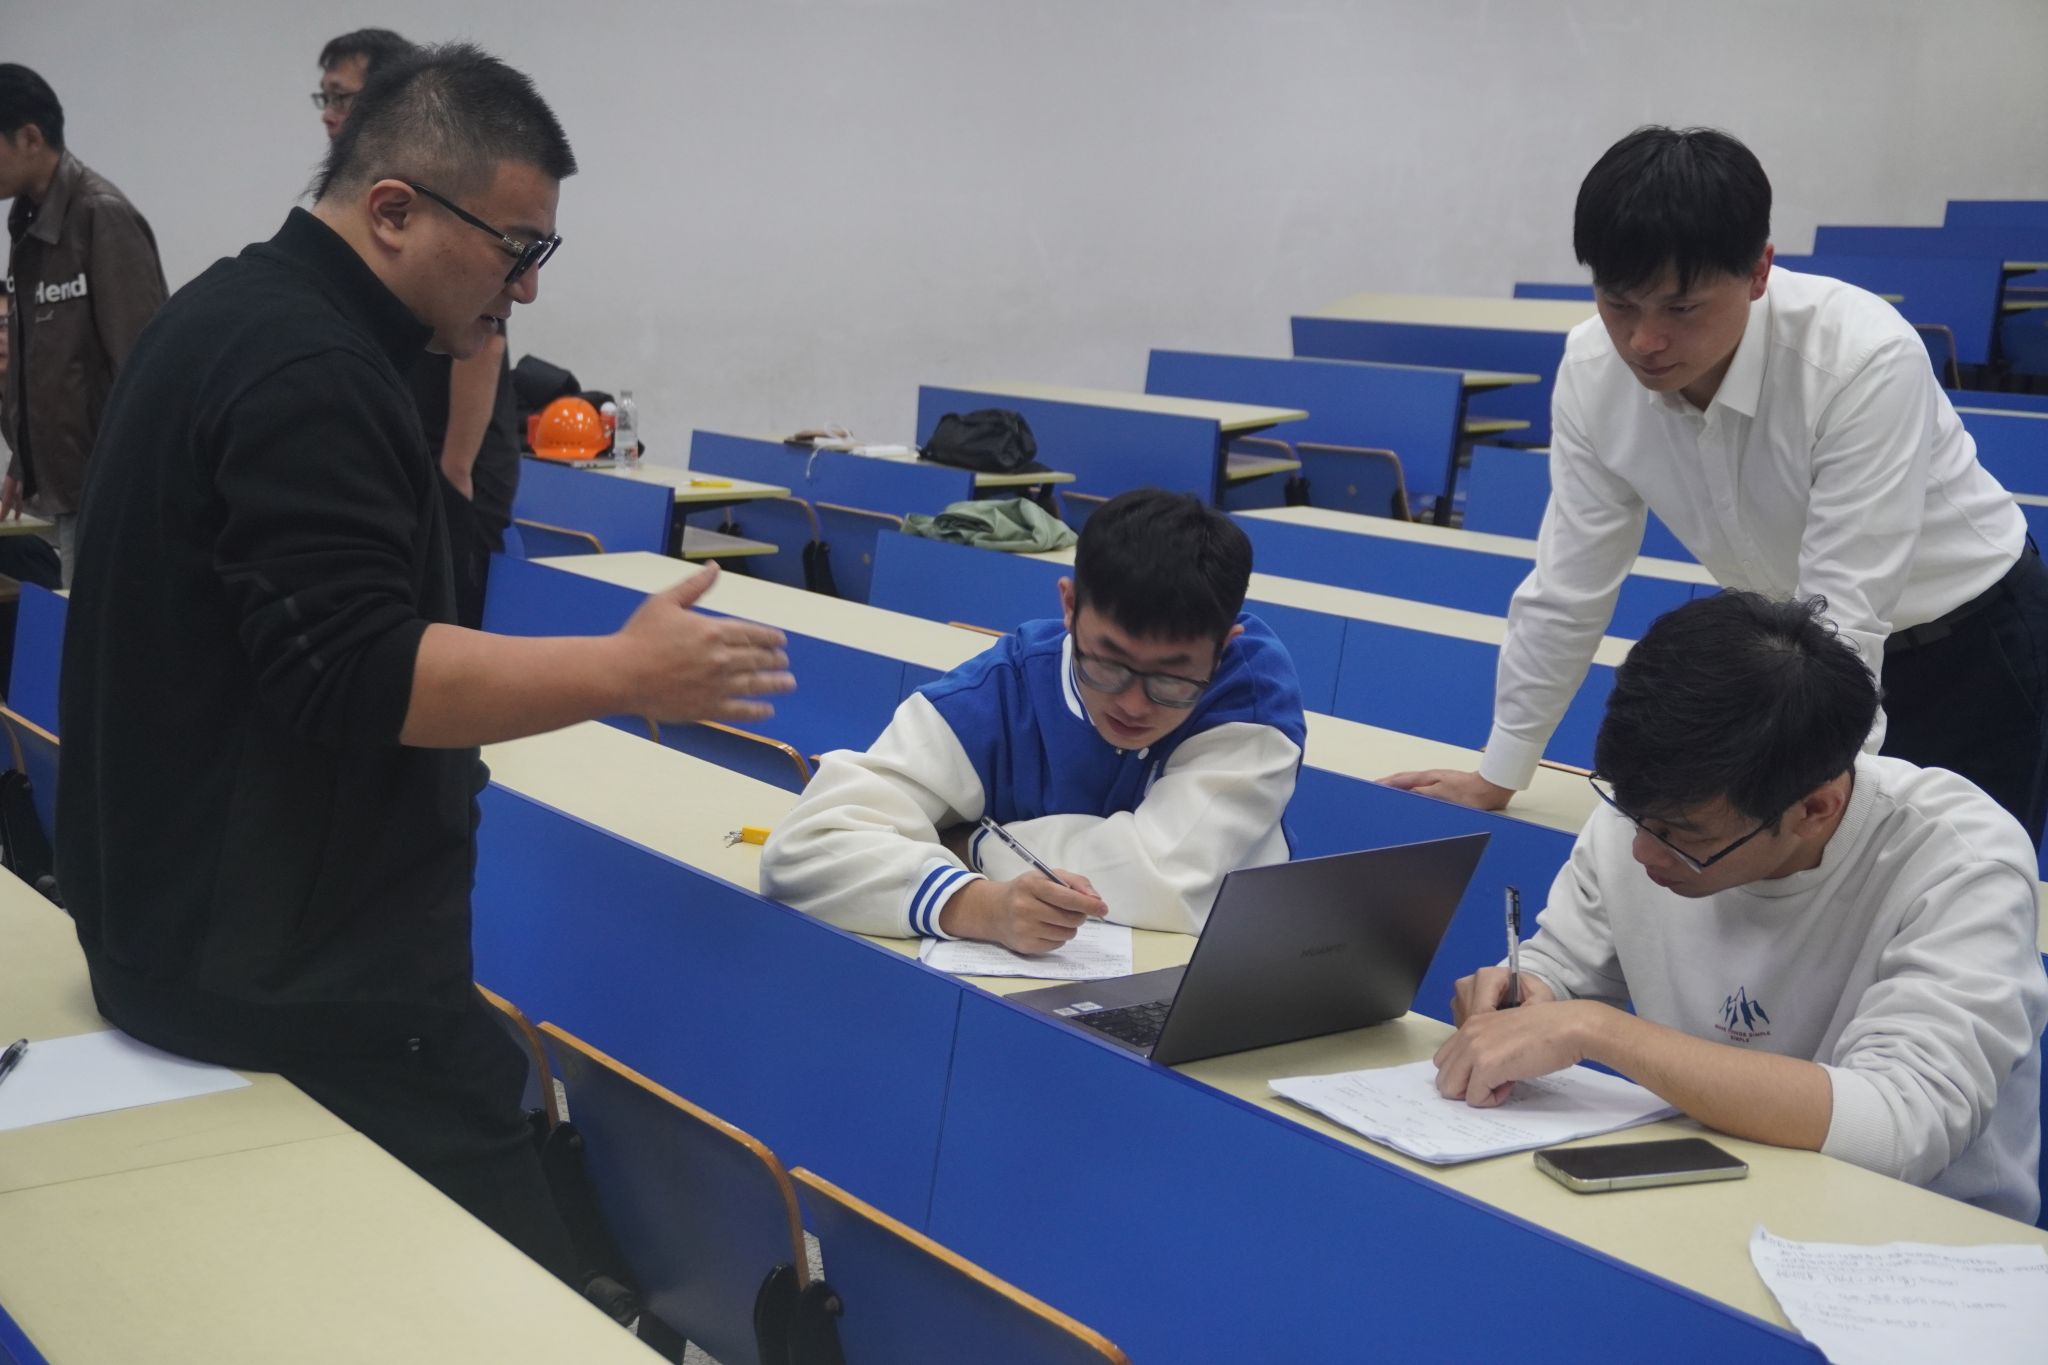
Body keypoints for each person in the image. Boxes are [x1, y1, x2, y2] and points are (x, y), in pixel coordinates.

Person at [58, 44, 794, 1280]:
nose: (527, 286)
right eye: (516, 247)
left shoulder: (232, 313)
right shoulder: (312, 371)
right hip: (290, 983)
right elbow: (360, 671)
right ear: (394, 210)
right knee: (537, 1291)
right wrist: (624, 673)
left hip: (176, 927)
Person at [1383, 126, 2048, 850]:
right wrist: (1502, 770)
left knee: (1956, 883)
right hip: (1796, 652)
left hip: (1972, 645)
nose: (1643, 341)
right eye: (1619, 304)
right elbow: (1569, 584)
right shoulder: (1593, 370)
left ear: (1759, 272)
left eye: (1681, 309)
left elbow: (1847, 612)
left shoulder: (1861, 358)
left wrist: (1812, 805)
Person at [1432, 592, 2046, 1223]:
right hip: (1704, 1191)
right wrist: (1529, 991)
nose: (1643, 850)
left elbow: (1898, 1128)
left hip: (1917, 1233)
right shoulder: (1659, 805)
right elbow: (1564, 970)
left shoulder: (1961, 862)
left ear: (1815, 810)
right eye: (1632, 814)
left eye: (1682, 834)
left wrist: (1595, 1029)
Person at [761, 488, 1306, 952]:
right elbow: (804, 849)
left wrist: (971, 845)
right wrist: (973, 903)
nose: (1134, 704)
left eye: (1172, 679)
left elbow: (1169, 879)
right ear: (1069, 606)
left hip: (1220, 979)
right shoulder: (1002, 687)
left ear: (1224, 645)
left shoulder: (1250, 692)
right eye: (1108, 664)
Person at [317, 27, 521, 627]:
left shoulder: (448, 200)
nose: (329, 115)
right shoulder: (362, 203)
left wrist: (453, 477)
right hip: (411, 453)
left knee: (448, 622)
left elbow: (484, 346)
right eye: (324, 97)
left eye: (342, 97)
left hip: (455, 464)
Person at [0, 63, 167, 587]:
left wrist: (129, 485)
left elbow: (146, 365)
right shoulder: (29, 223)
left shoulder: (100, 214)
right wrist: (22, 461)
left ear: (30, 138)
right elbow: (45, 366)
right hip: (68, 488)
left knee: (88, 628)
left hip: (107, 488)